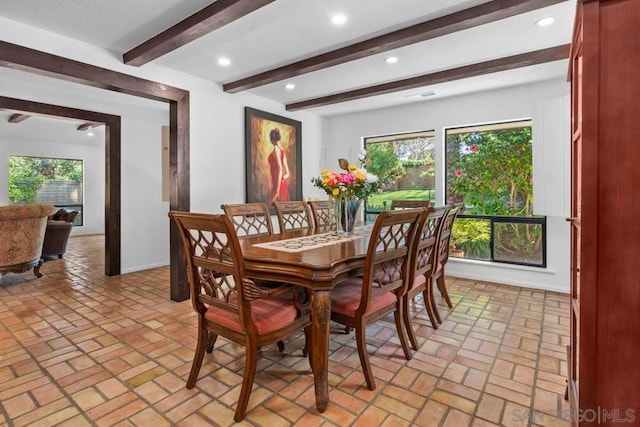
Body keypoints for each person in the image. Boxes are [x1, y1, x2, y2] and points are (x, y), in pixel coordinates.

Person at [267, 128, 290, 207]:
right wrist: (282, 180)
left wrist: (277, 189)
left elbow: (280, 168)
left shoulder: (276, 149)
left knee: (270, 206)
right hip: (279, 182)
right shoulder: (282, 151)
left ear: (272, 140)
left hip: (277, 184)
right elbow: (288, 173)